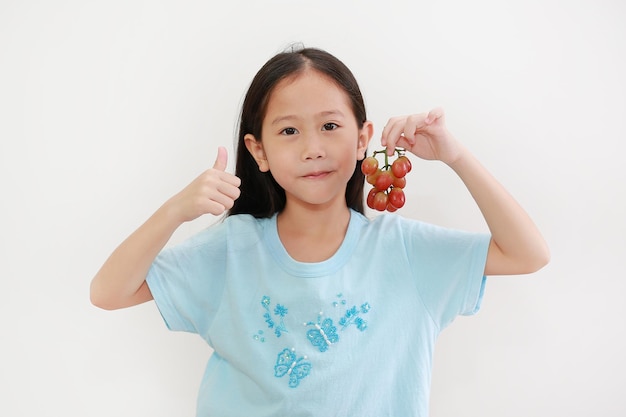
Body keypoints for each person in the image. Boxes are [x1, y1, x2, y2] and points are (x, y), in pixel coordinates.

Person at [90, 46, 550, 416]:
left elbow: (528, 254)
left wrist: (456, 155)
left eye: (330, 126)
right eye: (288, 131)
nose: (313, 148)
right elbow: (108, 291)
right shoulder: (233, 248)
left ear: (362, 138)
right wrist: (176, 209)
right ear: (258, 150)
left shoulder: (403, 250)